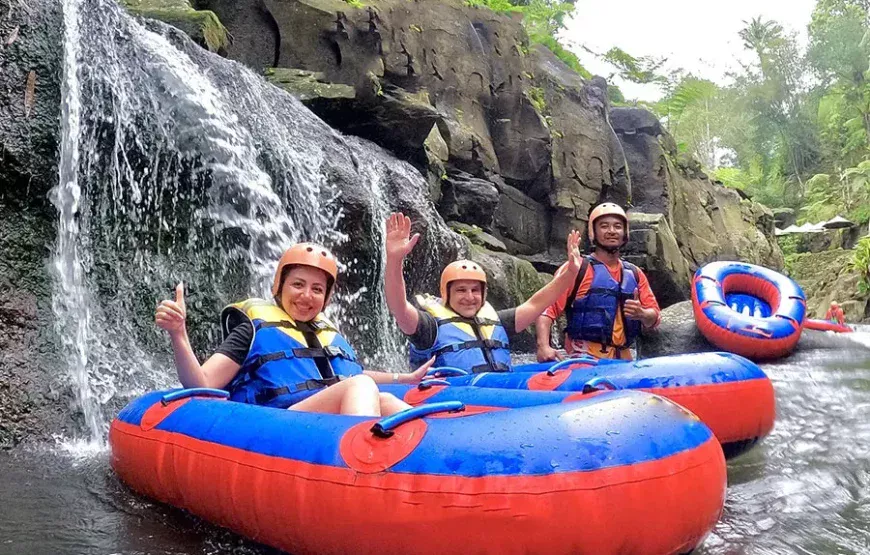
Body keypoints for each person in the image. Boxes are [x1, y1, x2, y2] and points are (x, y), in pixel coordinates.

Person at [155, 243, 432, 417]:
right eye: (298, 285)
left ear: (326, 298)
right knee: (361, 387)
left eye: (317, 289)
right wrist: (179, 334)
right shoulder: (252, 329)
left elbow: (351, 374)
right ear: (279, 286)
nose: (306, 296)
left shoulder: (324, 332)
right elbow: (202, 383)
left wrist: (404, 377)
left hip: (321, 421)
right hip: (280, 425)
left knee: (385, 399)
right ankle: (364, 465)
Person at [383, 212, 584, 372]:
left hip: (494, 394)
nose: (469, 297)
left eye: (475, 290)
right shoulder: (428, 328)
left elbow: (536, 304)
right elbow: (398, 306)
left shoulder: (496, 321)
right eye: (461, 290)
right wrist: (395, 260)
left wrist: (570, 274)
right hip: (450, 397)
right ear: (446, 293)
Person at [535, 202, 661, 361]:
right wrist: (543, 346)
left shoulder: (635, 274)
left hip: (623, 360)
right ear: (593, 232)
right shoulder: (577, 268)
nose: (611, 231)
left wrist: (642, 314)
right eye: (604, 226)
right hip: (583, 357)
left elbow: (654, 318)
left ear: (625, 233)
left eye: (617, 226)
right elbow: (545, 308)